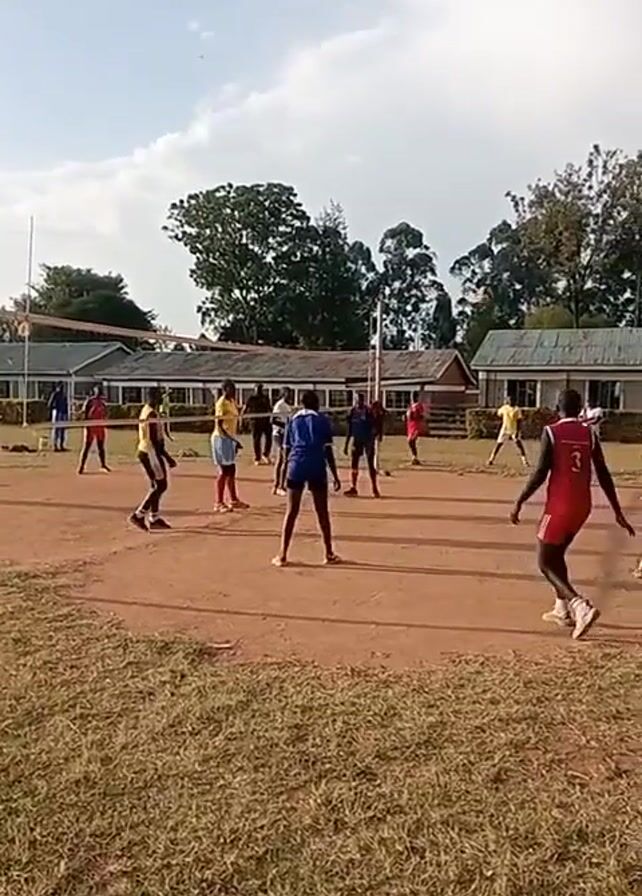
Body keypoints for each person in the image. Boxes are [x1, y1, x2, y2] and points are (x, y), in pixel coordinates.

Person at [509, 388, 634, 640]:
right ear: (579, 410)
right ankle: (561, 608)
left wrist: (519, 501)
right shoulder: (589, 433)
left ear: (558, 408)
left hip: (560, 506)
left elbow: (540, 472)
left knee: (545, 562)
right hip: (583, 505)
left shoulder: (551, 432)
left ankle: (579, 605)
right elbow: (603, 473)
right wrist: (617, 511)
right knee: (557, 554)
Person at [272, 390, 341, 567]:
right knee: (322, 511)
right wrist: (335, 475)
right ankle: (328, 553)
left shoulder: (292, 420)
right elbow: (328, 450)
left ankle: (282, 554)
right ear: (316, 404)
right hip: (316, 465)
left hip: (296, 466)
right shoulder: (322, 420)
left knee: (291, 511)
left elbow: (286, 451)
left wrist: (283, 477)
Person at [129, 387, 176, 532]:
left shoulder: (147, 410)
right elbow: (155, 440)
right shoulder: (151, 414)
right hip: (150, 452)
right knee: (161, 485)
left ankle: (154, 518)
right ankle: (139, 515)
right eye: (159, 396)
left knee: (156, 485)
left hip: (146, 451)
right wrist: (167, 457)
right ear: (153, 397)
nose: (161, 399)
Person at [212, 379, 248, 513]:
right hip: (221, 439)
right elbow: (219, 425)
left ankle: (233, 500)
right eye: (231, 388)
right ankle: (219, 502)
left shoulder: (232, 401)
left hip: (230, 439)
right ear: (225, 389)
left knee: (231, 470)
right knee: (223, 471)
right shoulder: (221, 403)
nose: (234, 391)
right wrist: (232, 440)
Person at [344, 392, 380, 498]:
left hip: (368, 440)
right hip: (357, 440)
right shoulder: (352, 412)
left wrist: (374, 437)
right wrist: (346, 444)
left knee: (370, 464)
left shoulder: (368, 411)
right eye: (357, 400)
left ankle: (374, 488)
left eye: (360, 400)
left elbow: (375, 425)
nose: (358, 402)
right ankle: (353, 487)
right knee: (354, 464)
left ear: (363, 400)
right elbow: (349, 429)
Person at [487, 395, 529, 468]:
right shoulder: (504, 408)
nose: (510, 402)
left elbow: (519, 421)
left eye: (512, 400)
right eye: (509, 400)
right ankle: (491, 459)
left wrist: (517, 431)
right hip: (505, 429)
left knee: (519, 445)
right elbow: (499, 414)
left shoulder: (516, 409)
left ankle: (524, 461)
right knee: (499, 444)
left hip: (513, 429)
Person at [77, 384, 110, 474]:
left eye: (99, 390)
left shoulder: (102, 402)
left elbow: (105, 413)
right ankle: (81, 466)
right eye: (96, 390)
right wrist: (86, 424)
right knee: (87, 447)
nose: (98, 392)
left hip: (100, 427)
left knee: (101, 447)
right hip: (91, 427)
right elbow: (84, 412)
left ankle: (103, 464)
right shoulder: (90, 401)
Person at [272, 386, 294, 497]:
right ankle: (279, 486)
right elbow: (273, 420)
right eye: (288, 393)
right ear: (283, 394)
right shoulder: (279, 405)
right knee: (284, 459)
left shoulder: (287, 406)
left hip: (285, 435)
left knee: (282, 460)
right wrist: (286, 426)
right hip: (279, 434)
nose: (290, 396)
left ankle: (278, 485)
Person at [243, 384, 273, 465]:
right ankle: (257, 457)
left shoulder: (265, 398)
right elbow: (245, 408)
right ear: (254, 389)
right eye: (257, 388)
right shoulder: (251, 398)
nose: (258, 390)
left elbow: (269, 408)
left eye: (260, 388)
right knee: (256, 440)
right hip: (255, 422)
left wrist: (271, 417)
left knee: (269, 438)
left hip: (265, 421)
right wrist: (243, 419)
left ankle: (266, 454)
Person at [48, 382, 69, 452]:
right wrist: (54, 409)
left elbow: (66, 404)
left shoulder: (64, 395)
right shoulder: (55, 394)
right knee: (56, 430)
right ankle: (55, 445)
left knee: (62, 430)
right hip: (57, 412)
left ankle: (61, 445)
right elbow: (50, 404)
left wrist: (66, 414)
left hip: (63, 413)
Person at [406, 391, 426, 465]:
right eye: (412, 396)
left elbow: (421, 416)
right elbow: (408, 416)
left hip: (416, 426)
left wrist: (415, 415)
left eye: (414, 396)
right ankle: (414, 457)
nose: (412, 398)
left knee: (411, 441)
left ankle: (414, 457)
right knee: (411, 442)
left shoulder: (419, 406)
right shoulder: (410, 406)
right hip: (410, 426)